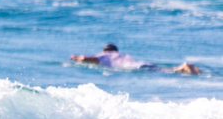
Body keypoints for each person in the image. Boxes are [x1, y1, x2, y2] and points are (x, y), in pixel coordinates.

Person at [71, 43, 199, 75]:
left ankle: (182, 68)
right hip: (141, 63)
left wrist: (75, 57)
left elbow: (87, 58)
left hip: (135, 68)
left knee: (166, 71)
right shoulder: (123, 55)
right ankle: (183, 68)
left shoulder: (106, 55)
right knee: (165, 70)